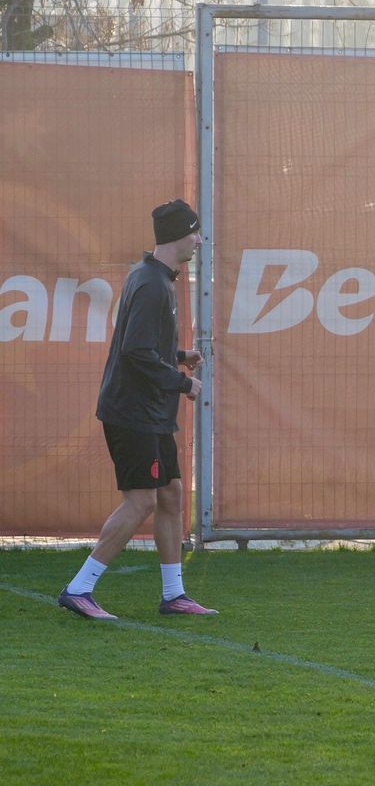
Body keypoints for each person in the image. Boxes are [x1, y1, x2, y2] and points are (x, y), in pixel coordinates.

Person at [58, 199, 217, 619]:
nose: (198, 240)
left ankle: (173, 595)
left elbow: (144, 343)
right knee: (141, 502)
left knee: (171, 494)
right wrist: (183, 382)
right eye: (194, 232)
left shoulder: (157, 278)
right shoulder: (150, 283)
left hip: (151, 412)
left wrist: (179, 354)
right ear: (176, 236)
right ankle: (80, 588)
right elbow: (135, 351)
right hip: (133, 413)